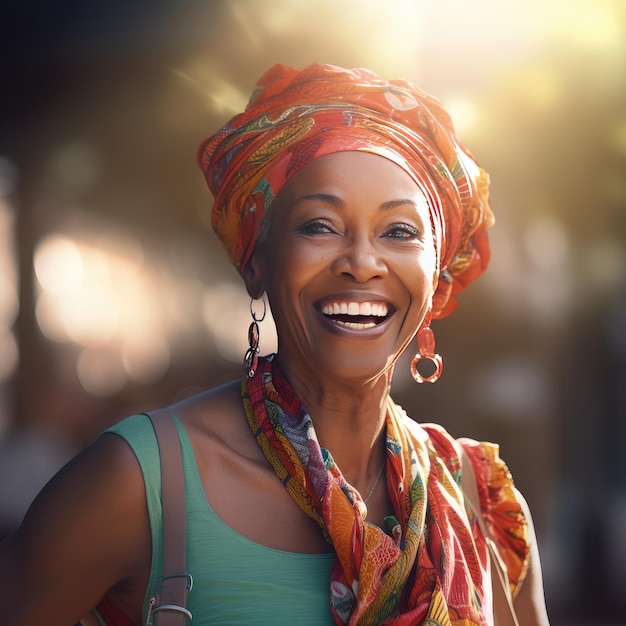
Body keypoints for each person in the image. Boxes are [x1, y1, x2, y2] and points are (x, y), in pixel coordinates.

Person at [0, 62, 550, 625]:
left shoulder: (479, 501)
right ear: (257, 264)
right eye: (320, 225)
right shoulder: (138, 485)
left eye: (400, 231)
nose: (362, 262)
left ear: (435, 282)